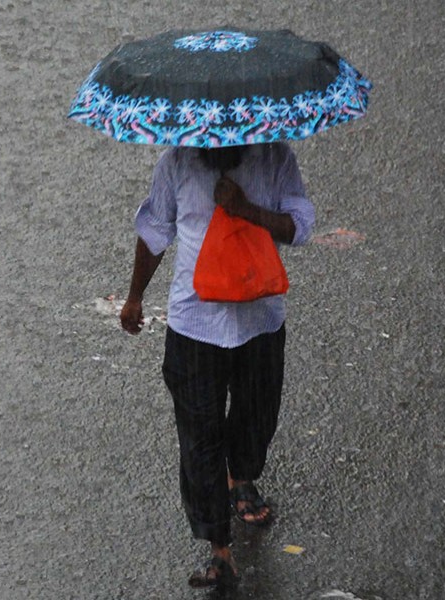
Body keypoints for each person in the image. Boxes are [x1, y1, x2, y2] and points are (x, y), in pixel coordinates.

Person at [119, 142, 315, 588]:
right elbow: (154, 232)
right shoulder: (176, 163)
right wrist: (134, 298)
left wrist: (247, 209)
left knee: (256, 416)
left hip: (260, 320)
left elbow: (299, 227)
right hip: (194, 325)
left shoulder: (275, 158)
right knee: (199, 438)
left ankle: (241, 477)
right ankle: (219, 549)